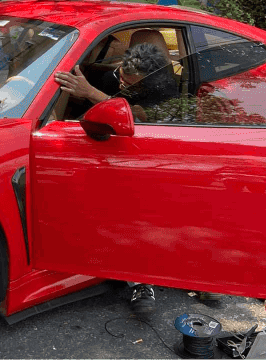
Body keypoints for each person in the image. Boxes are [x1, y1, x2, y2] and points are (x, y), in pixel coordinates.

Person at [54, 42, 179, 315]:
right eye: (121, 75)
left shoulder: (163, 89)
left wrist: (90, 93)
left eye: (129, 83)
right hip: (98, 151)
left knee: (135, 215)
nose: (121, 82)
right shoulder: (109, 73)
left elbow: (137, 116)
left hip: (144, 159)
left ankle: (142, 281)